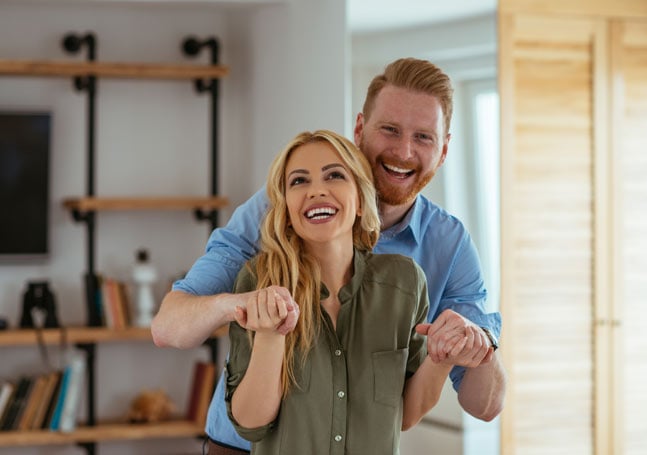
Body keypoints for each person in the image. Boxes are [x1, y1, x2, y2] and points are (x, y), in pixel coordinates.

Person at [152, 57, 506, 455]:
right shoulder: (273, 213)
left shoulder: (443, 250)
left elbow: (485, 405)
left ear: (443, 150)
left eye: (423, 137)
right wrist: (246, 306)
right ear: (360, 129)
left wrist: (473, 347)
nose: (404, 151)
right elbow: (169, 329)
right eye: (389, 129)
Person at [226, 129, 473, 453]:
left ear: (359, 200)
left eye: (334, 176)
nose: (317, 191)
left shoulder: (405, 283)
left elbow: (404, 415)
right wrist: (271, 336)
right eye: (299, 181)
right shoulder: (258, 282)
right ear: (286, 209)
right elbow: (251, 424)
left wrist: (441, 360)